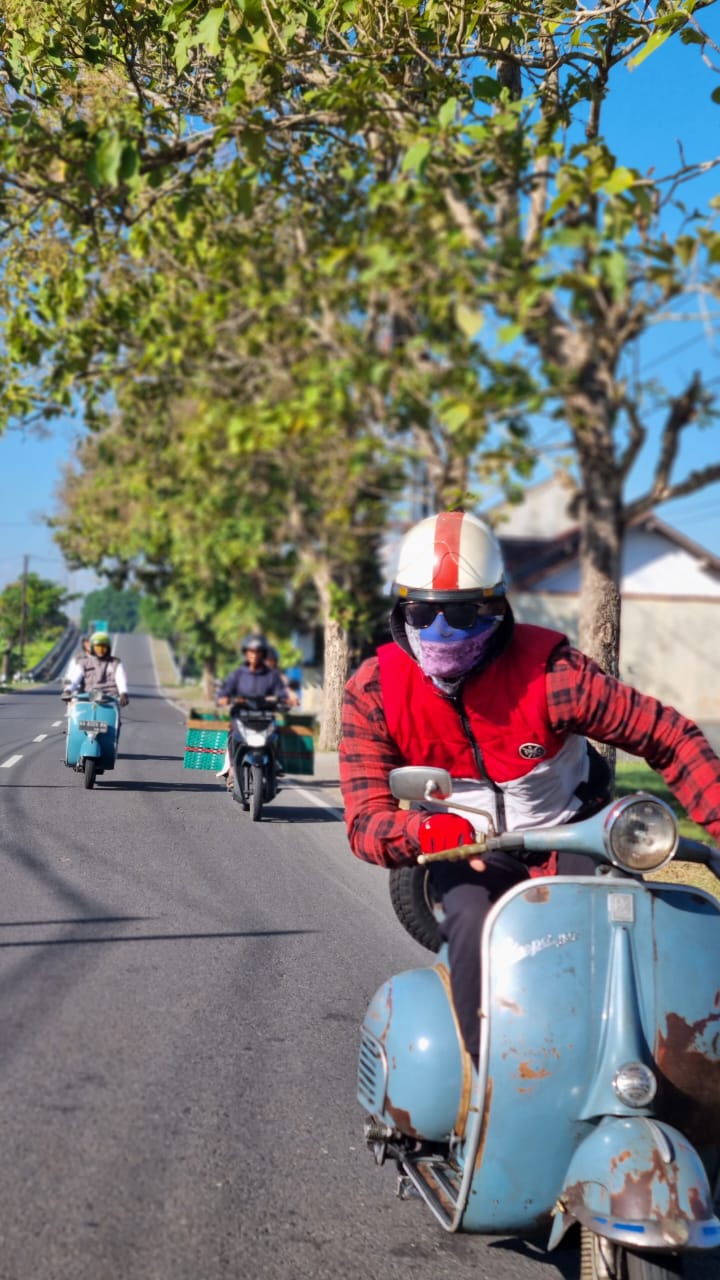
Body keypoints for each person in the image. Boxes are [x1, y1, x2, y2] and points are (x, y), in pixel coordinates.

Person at [339, 510, 720, 1062]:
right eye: (422, 613)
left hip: (570, 835)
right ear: (401, 610)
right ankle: (486, 1089)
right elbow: (364, 821)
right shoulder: (373, 691)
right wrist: (423, 830)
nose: (441, 633)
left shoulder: (554, 675)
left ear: (497, 608)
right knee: (471, 923)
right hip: (465, 848)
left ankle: (621, 1070)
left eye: (464, 614)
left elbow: (671, 737)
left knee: (607, 933)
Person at [216, 635, 291, 786]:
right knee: (232, 735)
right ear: (246, 653)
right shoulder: (237, 674)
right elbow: (224, 692)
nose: (254, 655)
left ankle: (274, 763)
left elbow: (282, 693)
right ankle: (231, 769)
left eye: (258, 652)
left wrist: (285, 699)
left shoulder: (272, 675)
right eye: (251, 651)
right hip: (242, 717)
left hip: (265, 717)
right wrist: (224, 697)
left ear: (263, 654)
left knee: (277, 734)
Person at [64, 630, 129, 706]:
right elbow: (75, 679)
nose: (101, 651)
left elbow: (120, 679)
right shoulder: (83, 662)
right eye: (98, 648)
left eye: (103, 648)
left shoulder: (115, 663)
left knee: (114, 716)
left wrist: (123, 693)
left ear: (108, 648)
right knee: (75, 715)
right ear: (92, 648)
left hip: (110, 700)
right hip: (87, 699)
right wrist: (68, 690)